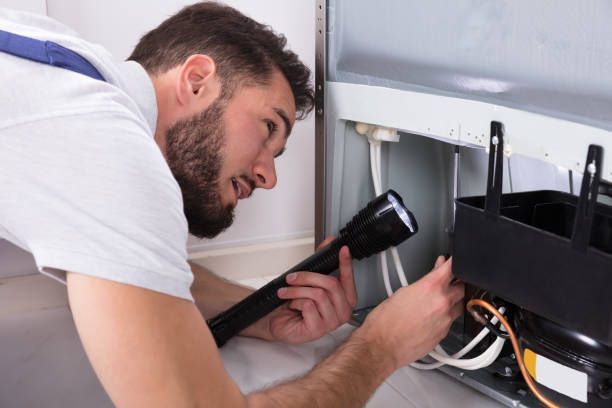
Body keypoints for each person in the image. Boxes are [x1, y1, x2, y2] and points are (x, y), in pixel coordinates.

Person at [0, 2, 464, 406]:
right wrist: (381, 345)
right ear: (198, 79)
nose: (269, 175)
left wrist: (257, 312)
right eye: (267, 127)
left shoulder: (60, 66)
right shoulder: (111, 148)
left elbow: (135, 261)